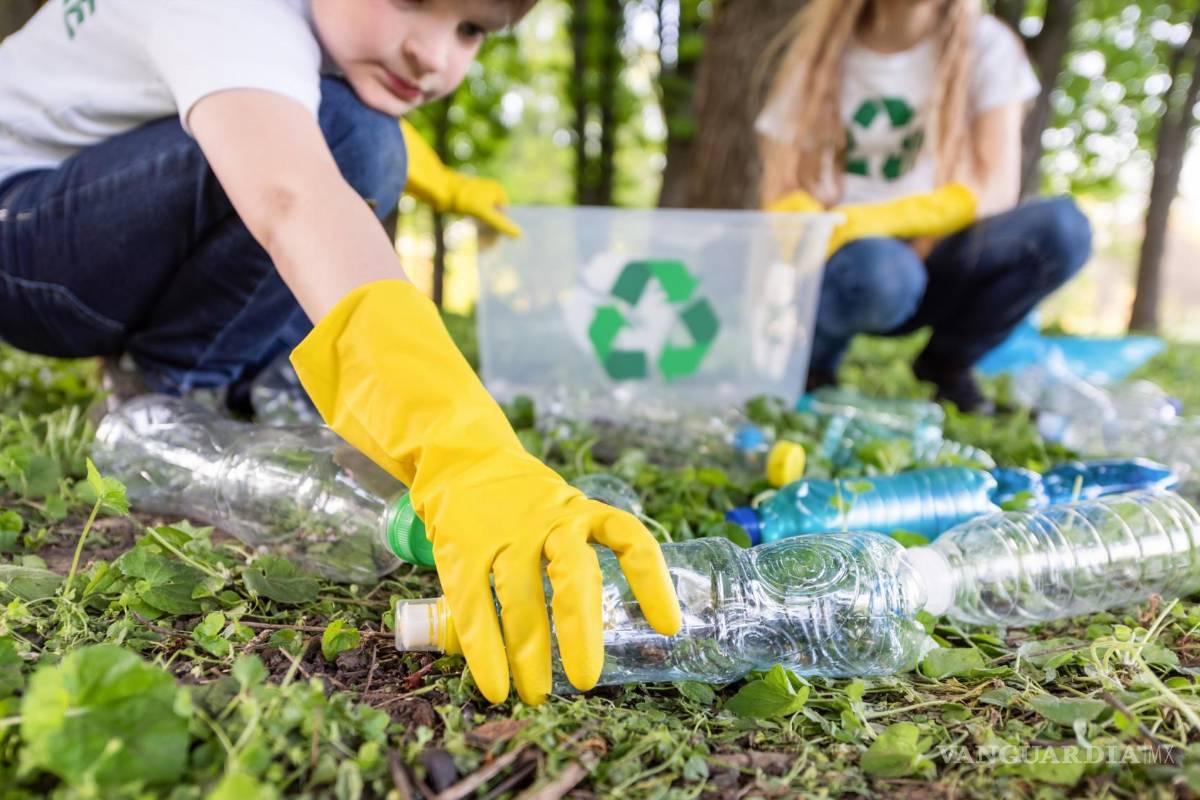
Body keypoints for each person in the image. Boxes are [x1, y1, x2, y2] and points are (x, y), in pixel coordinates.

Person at [0, 0, 681, 706]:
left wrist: (440, 180)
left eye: (471, 29)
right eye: (414, 2)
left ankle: (230, 364)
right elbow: (294, 192)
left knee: (356, 132)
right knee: (351, 137)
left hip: (75, 222)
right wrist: (461, 449)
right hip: (21, 247)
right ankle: (176, 385)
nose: (435, 55)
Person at [758, 0, 1093, 413]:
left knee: (1062, 229)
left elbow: (995, 187)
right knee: (882, 272)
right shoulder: (822, 50)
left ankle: (946, 364)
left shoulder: (986, 44)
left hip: (944, 252)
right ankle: (813, 364)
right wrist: (816, 228)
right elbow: (782, 185)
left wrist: (877, 220)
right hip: (851, 266)